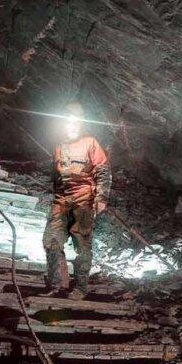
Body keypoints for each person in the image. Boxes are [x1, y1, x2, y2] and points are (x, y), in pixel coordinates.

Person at [42, 101, 111, 299]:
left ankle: (80, 288)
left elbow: (103, 170)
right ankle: (57, 284)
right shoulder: (59, 144)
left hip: (83, 201)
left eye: (74, 120)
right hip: (61, 201)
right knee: (51, 240)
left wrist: (101, 197)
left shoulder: (91, 142)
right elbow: (55, 173)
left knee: (82, 244)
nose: (70, 124)